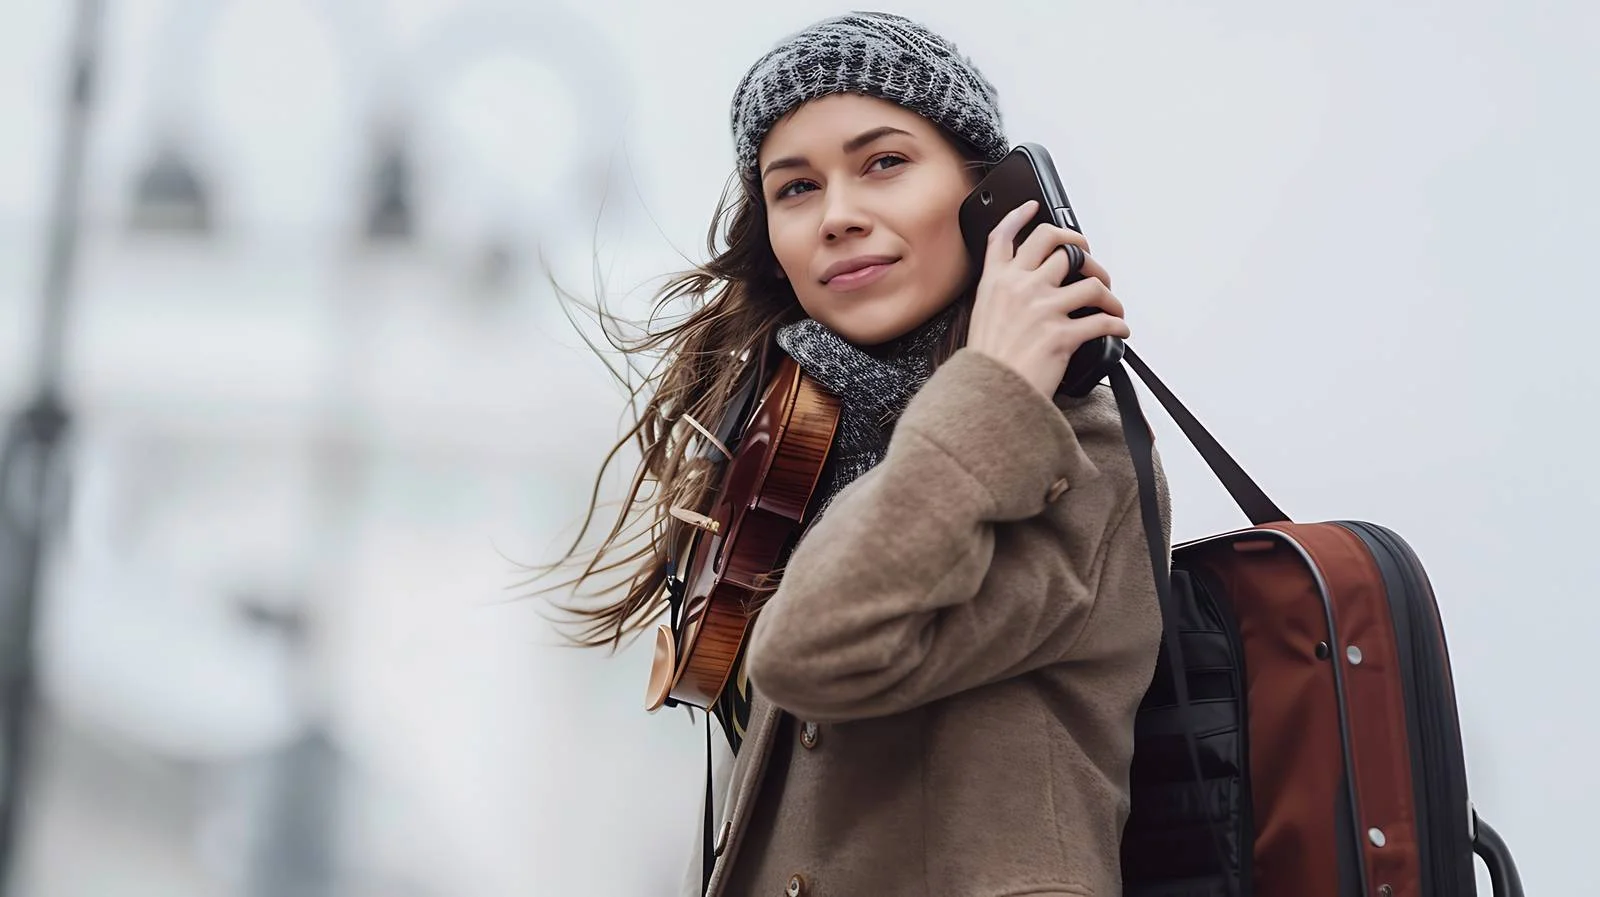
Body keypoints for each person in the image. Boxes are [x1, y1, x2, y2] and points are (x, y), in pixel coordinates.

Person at [541, 11, 1170, 896]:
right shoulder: (788, 446)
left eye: (885, 163)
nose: (838, 216)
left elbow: (815, 647)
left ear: (986, 195)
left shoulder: (1071, 442)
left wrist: (993, 381)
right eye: (795, 188)